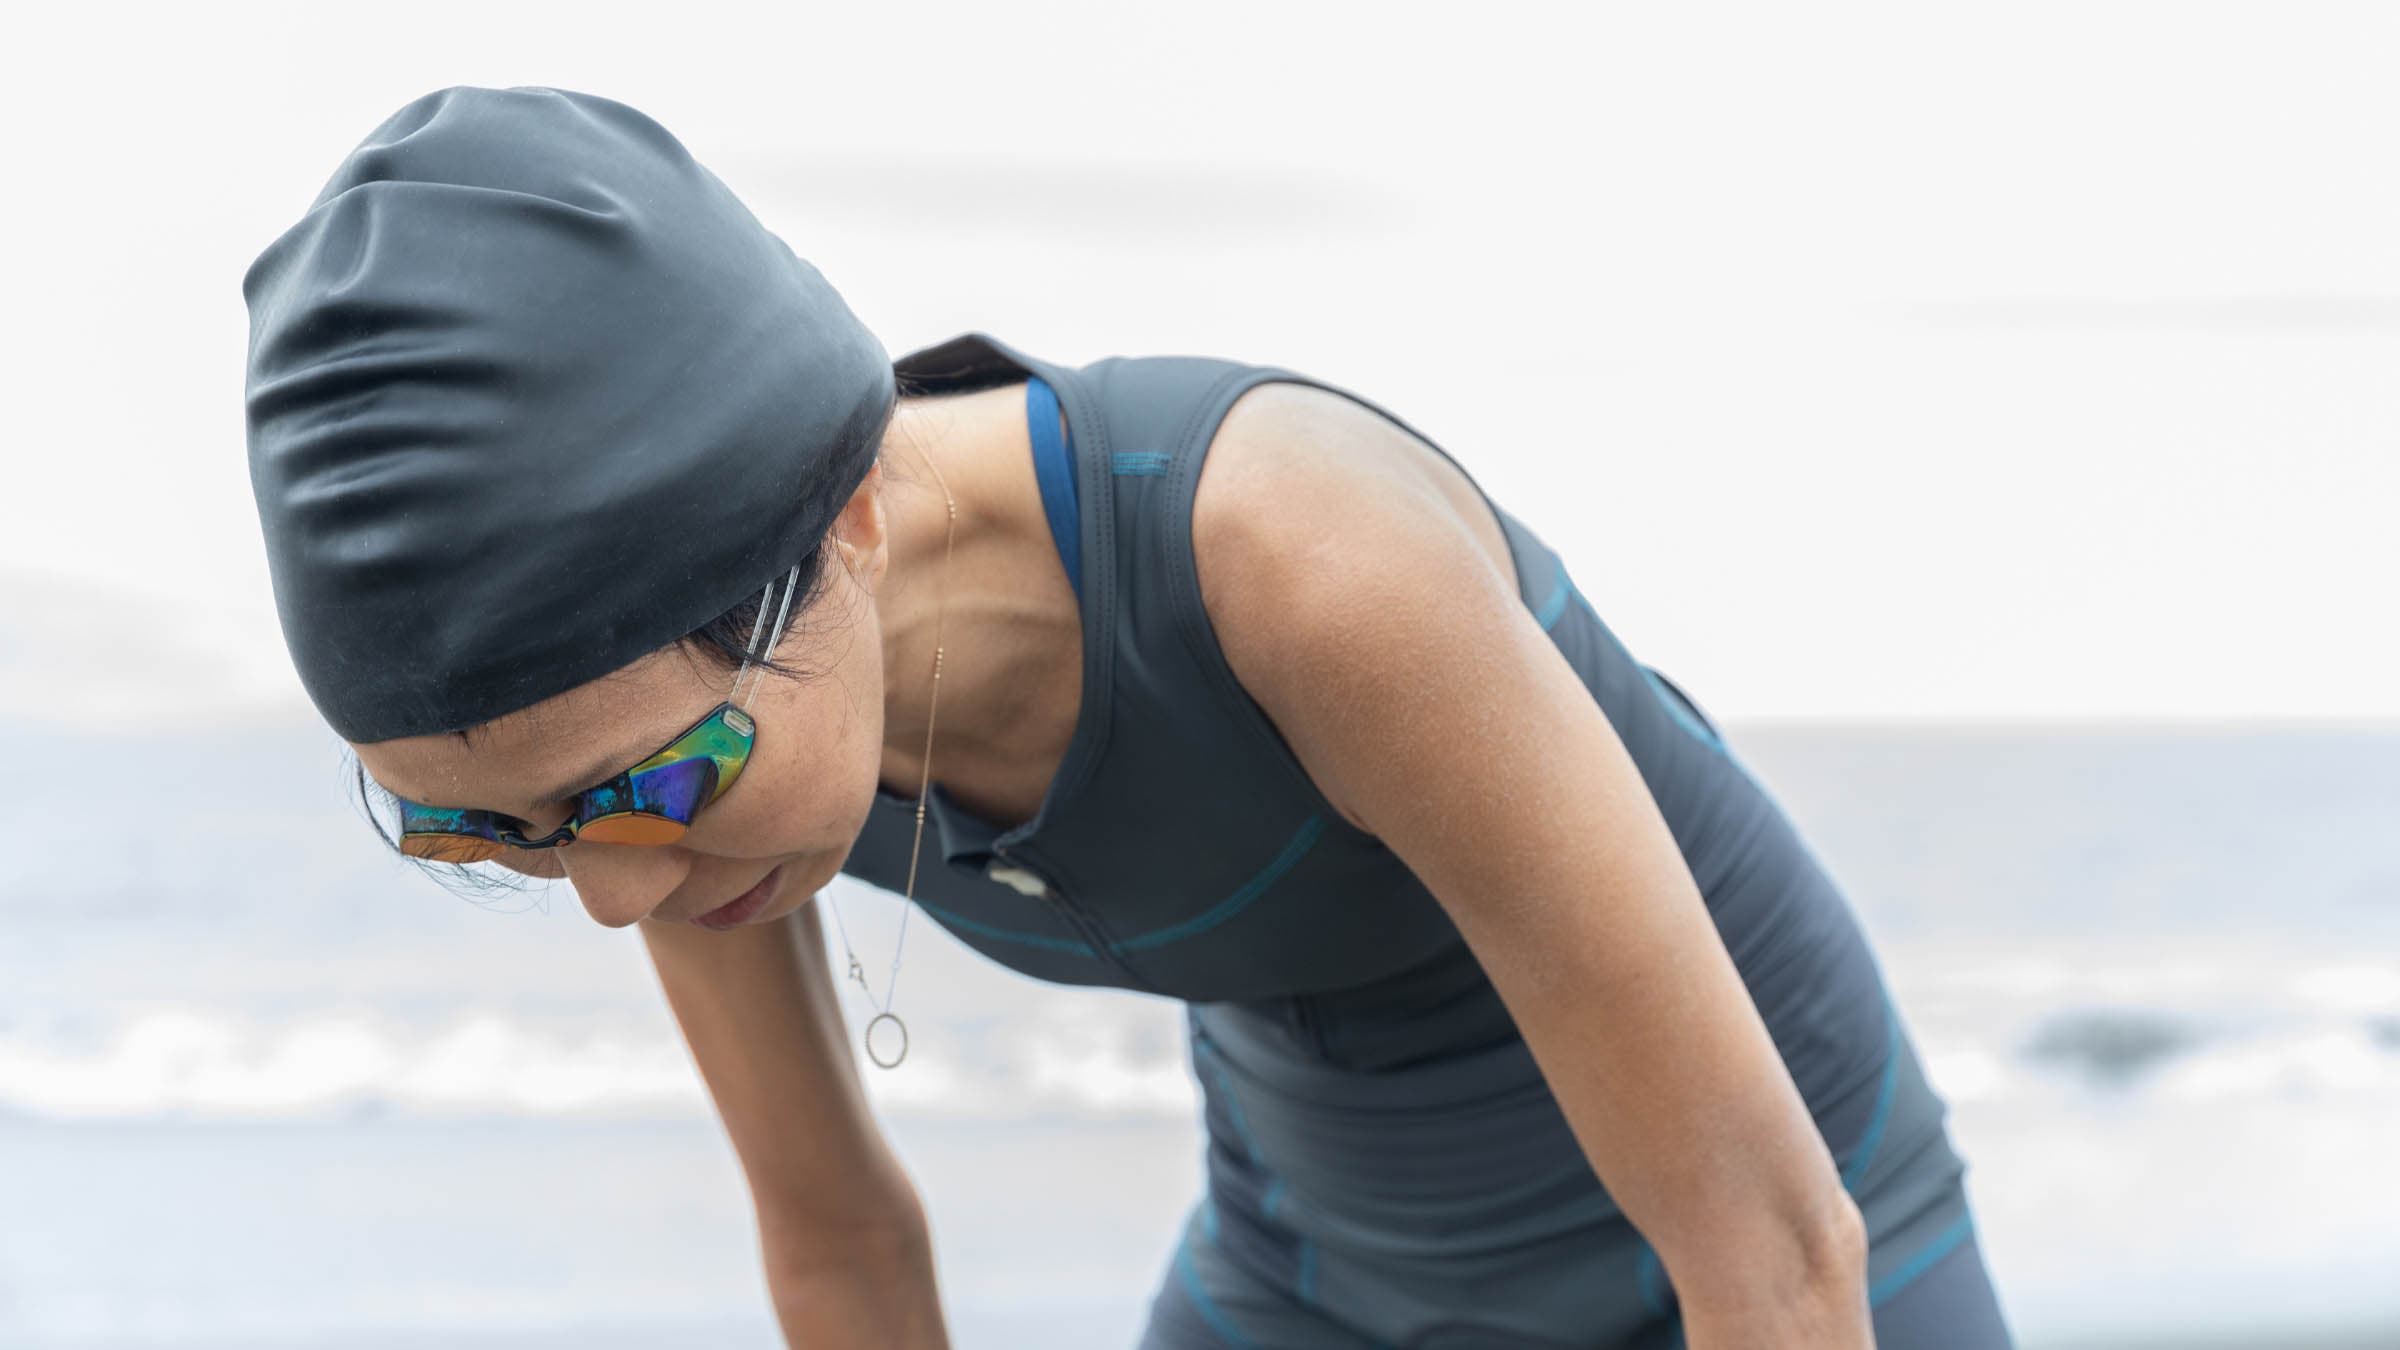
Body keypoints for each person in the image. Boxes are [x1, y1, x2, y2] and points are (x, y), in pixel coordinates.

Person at [242, 84, 2015, 1350]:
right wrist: (615, 797)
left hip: (1784, 1222)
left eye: (638, 786)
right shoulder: (669, 792)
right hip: (1311, 1271)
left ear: (844, 513)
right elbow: (843, 1244)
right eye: (482, 834)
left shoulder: (1298, 561)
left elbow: (1772, 1259)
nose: (610, 889)